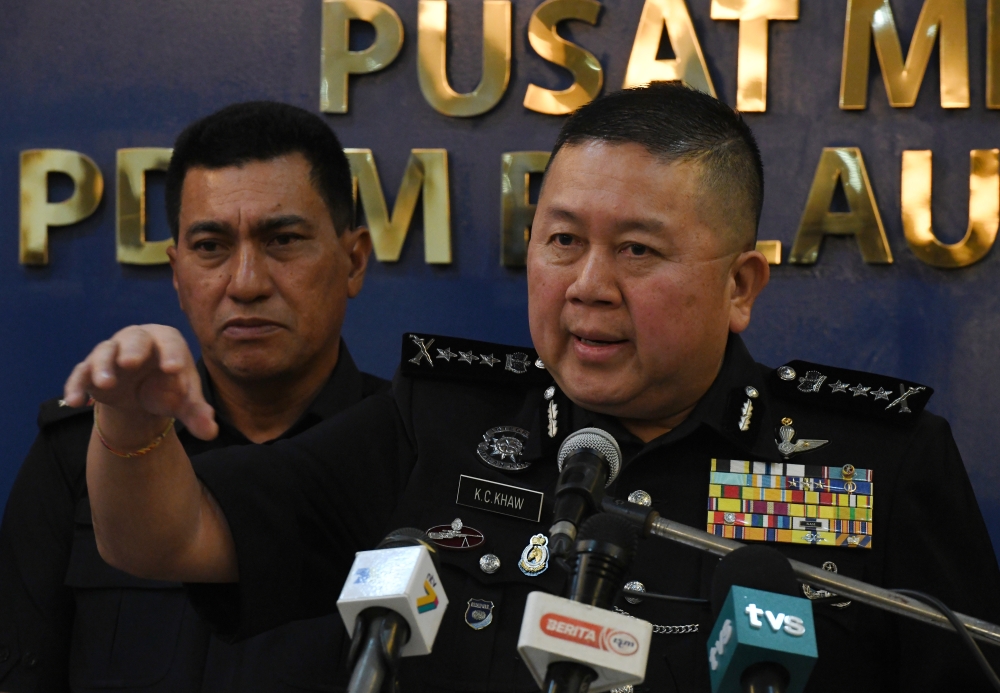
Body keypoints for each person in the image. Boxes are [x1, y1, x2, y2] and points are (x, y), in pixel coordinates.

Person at [63, 84, 1000, 691]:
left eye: (637, 249)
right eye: (561, 240)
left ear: (740, 286)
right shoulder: (438, 424)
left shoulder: (881, 462)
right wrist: (129, 428)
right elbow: (167, 536)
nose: (588, 283)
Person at [0, 100, 385, 693]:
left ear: (354, 260)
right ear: (177, 274)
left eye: (283, 240)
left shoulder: (411, 451)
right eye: (211, 246)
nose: (246, 283)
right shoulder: (83, 452)